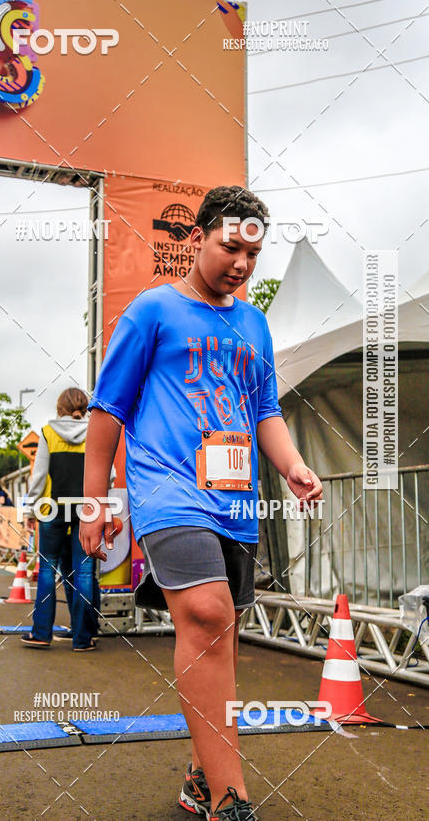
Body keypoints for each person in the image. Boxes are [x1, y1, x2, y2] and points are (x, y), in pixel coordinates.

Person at [81, 186, 322, 821]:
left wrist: (293, 465)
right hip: (166, 486)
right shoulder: (152, 310)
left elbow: (264, 409)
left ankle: (197, 773)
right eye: (230, 247)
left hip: (235, 494)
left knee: (223, 631)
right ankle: (230, 798)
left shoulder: (254, 323)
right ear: (198, 239)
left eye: (254, 252)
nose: (241, 263)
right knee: (210, 613)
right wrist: (95, 500)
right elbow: (108, 409)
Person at [22, 387, 100, 651]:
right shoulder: (94, 433)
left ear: (59, 409)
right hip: (86, 511)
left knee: (47, 570)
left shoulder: (47, 432)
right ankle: (82, 639)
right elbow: (108, 474)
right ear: (84, 408)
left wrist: (30, 511)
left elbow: (39, 477)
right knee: (84, 573)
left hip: (51, 509)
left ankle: (41, 633)